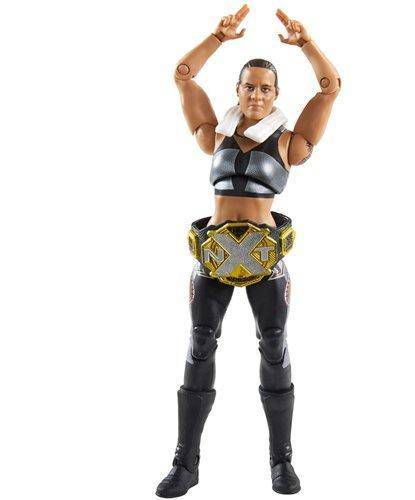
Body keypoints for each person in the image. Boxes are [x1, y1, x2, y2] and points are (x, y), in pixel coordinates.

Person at [156, 5, 341, 497]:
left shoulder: (289, 143)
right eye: (249, 87)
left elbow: (330, 88)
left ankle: (282, 461)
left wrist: (306, 44)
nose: (256, 95)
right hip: (213, 258)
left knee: (274, 347)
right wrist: (217, 38)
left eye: (265, 88)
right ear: (237, 91)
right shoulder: (213, 135)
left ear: (275, 95)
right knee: (199, 345)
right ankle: (185, 463)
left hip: (265, 261)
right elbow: (183, 74)